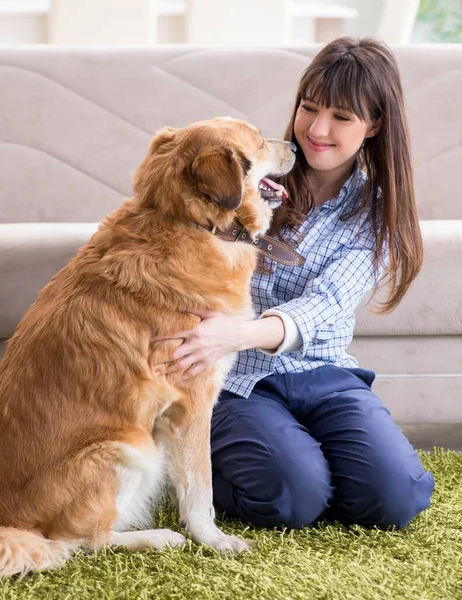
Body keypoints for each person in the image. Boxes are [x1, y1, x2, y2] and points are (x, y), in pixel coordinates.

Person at [154, 37, 434, 531]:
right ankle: (227, 462)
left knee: (396, 495)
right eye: (309, 108)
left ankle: (298, 456)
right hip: (239, 378)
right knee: (293, 497)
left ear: (374, 126)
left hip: (324, 374)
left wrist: (237, 331)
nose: (318, 129)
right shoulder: (250, 175)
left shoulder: (377, 211)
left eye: (342, 118)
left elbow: (328, 302)